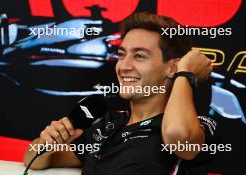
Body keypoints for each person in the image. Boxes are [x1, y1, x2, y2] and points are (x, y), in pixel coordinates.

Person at [24, 12, 216, 175]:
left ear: (172, 67)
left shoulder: (199, 127)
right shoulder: (109, 123)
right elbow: (35, 159)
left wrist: (185, 73)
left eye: (139, 56)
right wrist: (47, 143)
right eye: (122, 54)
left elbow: (177, 134)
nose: (123, 66)